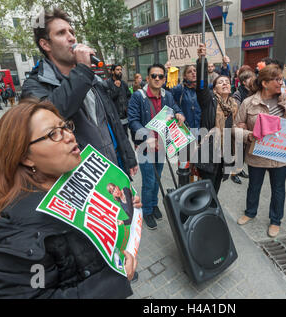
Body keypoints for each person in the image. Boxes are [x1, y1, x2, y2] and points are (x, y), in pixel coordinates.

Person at [0, 99, 140, 298]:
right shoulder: (14, 230)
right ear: (25, 157)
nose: (69, 136)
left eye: (65, 126)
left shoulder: (71, 175)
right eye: (53, 134)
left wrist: (126, 206)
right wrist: (112, 283)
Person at [21, 8, 138, 180]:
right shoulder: (35, 86)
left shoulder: (92, 80)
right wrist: (83, 70)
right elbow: (54, 113)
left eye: (72, 32)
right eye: (61, 33)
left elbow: (111, 121)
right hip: (79, 180)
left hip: (112, 170)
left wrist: (128, 157)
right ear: (45, 44)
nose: (71, 38)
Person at [234, 65, 286, 238]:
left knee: (278, 189)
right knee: (254, 186)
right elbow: (235, 128)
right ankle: (250, 212)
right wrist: (249, 135)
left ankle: (276, 220)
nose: (281, 82)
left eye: (281, 79)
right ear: (265, 83)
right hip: (256, 155)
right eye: (277, 79)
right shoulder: (248, 103)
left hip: (280, 155)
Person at [128, 63, 185, 230]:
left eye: (161, 76)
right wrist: (146, 135)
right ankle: (146, 211)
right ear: (148, 78)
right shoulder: (138, 96)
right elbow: (133, 120)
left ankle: (153, 204)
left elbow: (174, 107)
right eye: (154, 76)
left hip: (162, 144)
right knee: (149, 180)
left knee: (157, 177)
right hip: (146, 147)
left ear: (165, 79)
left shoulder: (167, 95)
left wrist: (179, 112)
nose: (157, 79)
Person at [195, 44, 239, 194]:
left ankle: (212, 213)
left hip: (224, 154)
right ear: (214, 89)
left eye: (227, 82)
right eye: (220, 82)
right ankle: (202, 215)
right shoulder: (209, 101)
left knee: (216, 189)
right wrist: (202, 61)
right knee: (205, 190)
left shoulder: (233, 105)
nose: (225, 83)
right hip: (209, 153)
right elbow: (201, 87)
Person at [230, 66, 255, 184]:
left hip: (247, 127)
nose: (253, 80)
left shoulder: (252, 92)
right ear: (244, 82)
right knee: (237, 151)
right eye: (251, 78)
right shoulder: (238, 94)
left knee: (243, 152)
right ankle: (233, 173)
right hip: (239, 127)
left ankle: (239, 170)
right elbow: (236, 112)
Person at [169, 65, 201, 130]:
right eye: (189, 72)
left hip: (201, 130)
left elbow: (217, 85)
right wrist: (170, 73)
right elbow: (167, 94)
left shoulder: (202, 89)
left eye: (195, 71)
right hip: (185, 128)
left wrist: (225, 68)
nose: (193, 73)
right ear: (185, 76)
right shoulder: (180, 89)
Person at [106, 64, 131, 137]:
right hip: (115, 118)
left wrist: (128, 107)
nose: (120, 71)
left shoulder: (124, 84)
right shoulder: (107, 83)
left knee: (126, 137)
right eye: (117, 70)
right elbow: (108, 99)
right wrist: (116, 88)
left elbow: (129, 96)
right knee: (118, 138)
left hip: (125, 116)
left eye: (120, 70)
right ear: (112, 71)